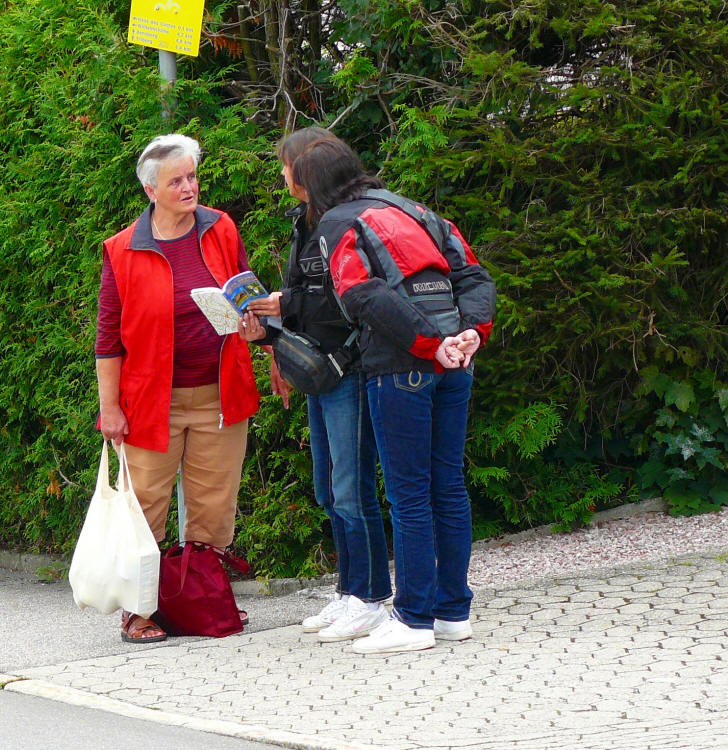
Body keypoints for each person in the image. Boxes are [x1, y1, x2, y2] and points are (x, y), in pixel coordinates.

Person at [286, 137, 495, 654]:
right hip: (456, 364)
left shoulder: (337, 224)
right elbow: (472, 273)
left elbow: (360, 294)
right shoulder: (415, 209)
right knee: (448, 486)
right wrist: (470, 333)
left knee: (409, 495)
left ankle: (413, 618)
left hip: (401, 368)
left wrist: (431, 343)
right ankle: (452, 612)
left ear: (310, 186)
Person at [95, 133, 260, 644]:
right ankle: (138, 610)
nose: (189, 187)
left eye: (192, 176)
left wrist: (256, 325)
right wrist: (110, 410)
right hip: (151, 401)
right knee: (145, 509)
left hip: (218, 394)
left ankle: (202, 597)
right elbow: (108, 336)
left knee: (214, 508)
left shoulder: (220, 227)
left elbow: (245, 292)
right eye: (176, 181)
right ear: (151, 191)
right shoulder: (122, 249)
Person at [242, 128, 393, 642]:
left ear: (309, 172)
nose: (283, 174)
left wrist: (287, 303)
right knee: (330, 491)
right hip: (317, 369)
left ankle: (373, 596)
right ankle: (350, 590)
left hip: (347, 368)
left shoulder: (344, 223)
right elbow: (310, 294)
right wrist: (274, 338)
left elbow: (345, 299)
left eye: (287, 165)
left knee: (352, 489)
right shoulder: (304, 223)